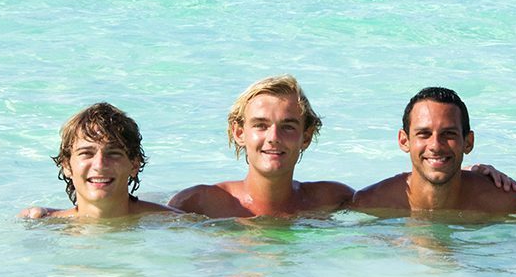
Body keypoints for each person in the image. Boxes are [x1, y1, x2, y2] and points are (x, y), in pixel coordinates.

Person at [169, 75, 353, 217]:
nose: (273, 137)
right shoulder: (198, 204)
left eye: (287, 127)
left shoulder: (332, 200)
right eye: (261, 125)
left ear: (306, 137)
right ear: (239, 133)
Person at [350, 86, 516, 216]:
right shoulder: (370, 204)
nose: (436, 145)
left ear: (468, 142)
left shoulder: (503, 204)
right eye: (424, 134)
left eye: (448, 134)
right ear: (404, 141)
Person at [18, 102, 177, 219]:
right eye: (86, 153)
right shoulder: (44, 224)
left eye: (113, 153)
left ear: (134, 164)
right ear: (66, 165)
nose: (100, 165)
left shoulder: (171, 222)